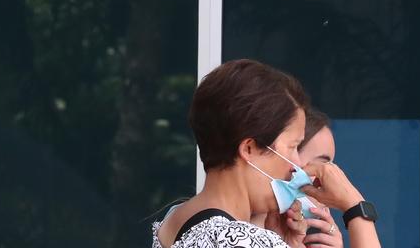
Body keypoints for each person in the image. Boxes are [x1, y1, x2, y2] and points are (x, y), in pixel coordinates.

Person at [152, 59, 310, 248]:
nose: (297, 164)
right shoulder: (243, 239)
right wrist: (353, 211)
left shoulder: (172, 220)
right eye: (293, 147)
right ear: (249, 149)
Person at [254, 108, 382, 248]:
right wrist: (354, 206)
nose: (334, 180)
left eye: (331, 168)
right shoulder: (236, 235)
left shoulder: (291, 238)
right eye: (322, 166)